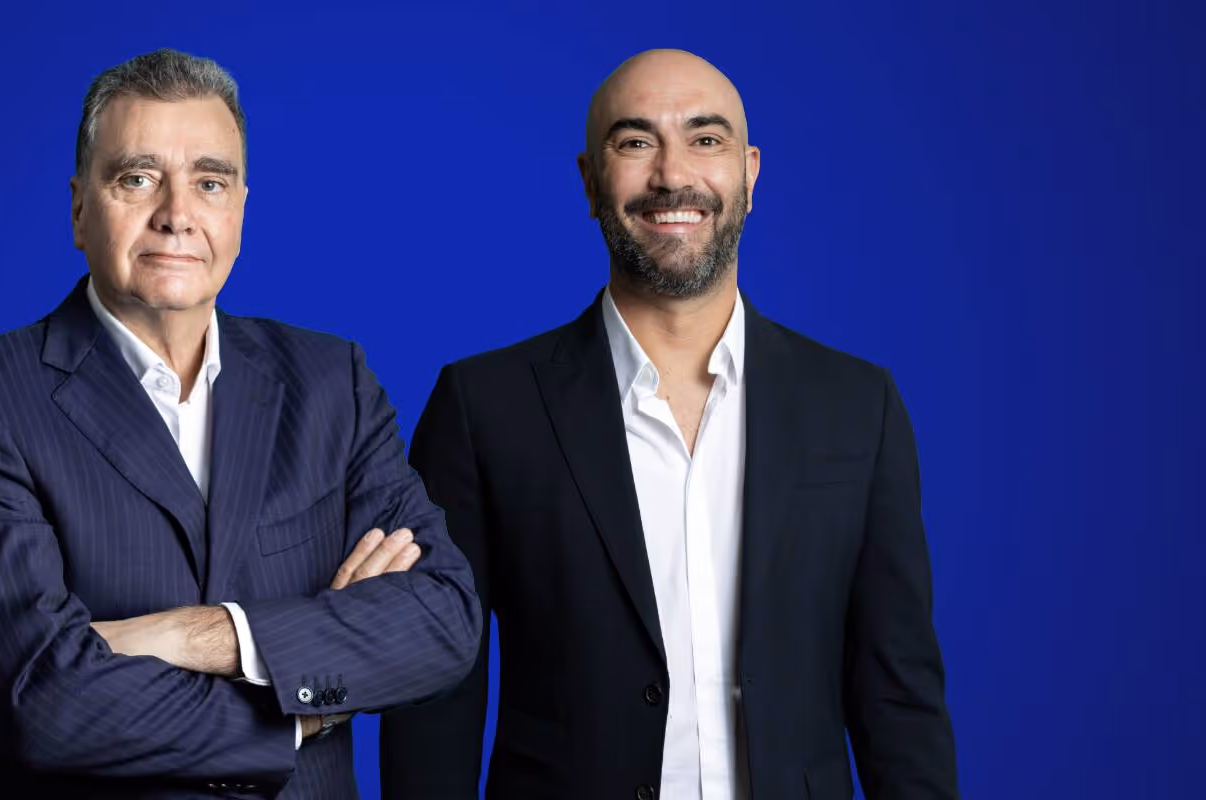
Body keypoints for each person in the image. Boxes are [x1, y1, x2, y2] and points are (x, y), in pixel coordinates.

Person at [379, 49, 958, 799]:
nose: (672, 174)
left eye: (705, 139)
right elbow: (435, 690)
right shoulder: (483, 405)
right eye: (635, 141)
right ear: (590, 180)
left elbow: (898, 695)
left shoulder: (858, 405)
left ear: (749, 174)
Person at [0, 48, 481, 798]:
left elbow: (444, 620)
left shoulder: (330, 381)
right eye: (137, 178)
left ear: (239, 209)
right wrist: (304, 706)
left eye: (209, 183)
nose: (177, 214)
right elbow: (43, 704)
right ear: (78, 209)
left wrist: (199, 633)